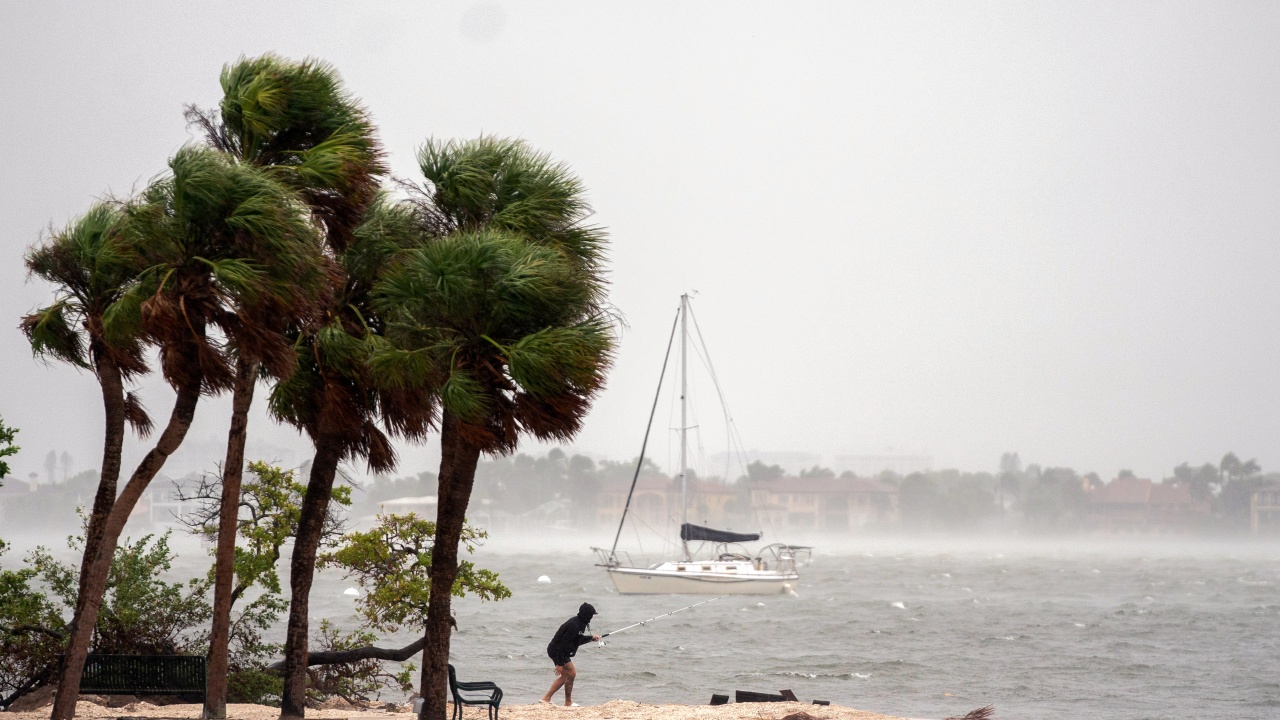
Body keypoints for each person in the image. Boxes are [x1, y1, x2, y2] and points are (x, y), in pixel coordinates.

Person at [540, 602, 601, 706]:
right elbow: (563, 645)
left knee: (568, 675)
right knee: (571, 673)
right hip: (557, 650)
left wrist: (591, 638)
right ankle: (555, 700)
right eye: (591, 615)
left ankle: (550, 699)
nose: (592, 617)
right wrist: (559, 664)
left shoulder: (580, 623)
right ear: (586, 615)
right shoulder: (574, 625)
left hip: (559, 650)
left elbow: (577, 639)